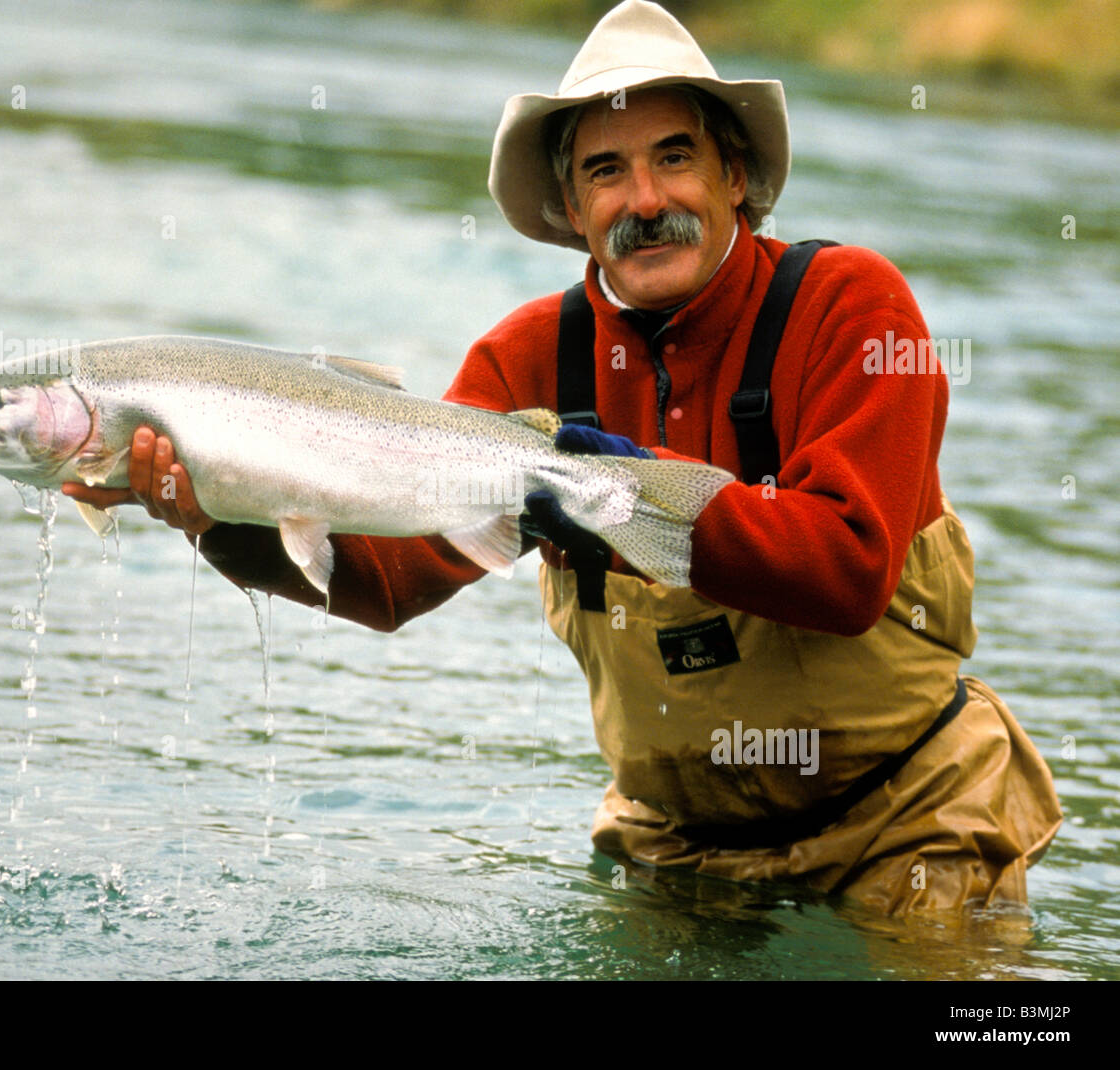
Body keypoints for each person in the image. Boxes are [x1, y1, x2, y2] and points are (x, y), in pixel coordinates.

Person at [65, 0, 1060, 914]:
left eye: (674, 158)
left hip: (908, 827)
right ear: (571, 210)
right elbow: (391, 580)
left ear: (735, 179)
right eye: (605, 171)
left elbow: (846, 572)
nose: (644, 198)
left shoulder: (853, 307)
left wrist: (602, 488)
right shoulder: (524, 358)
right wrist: (212, 519)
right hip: (670, 846)